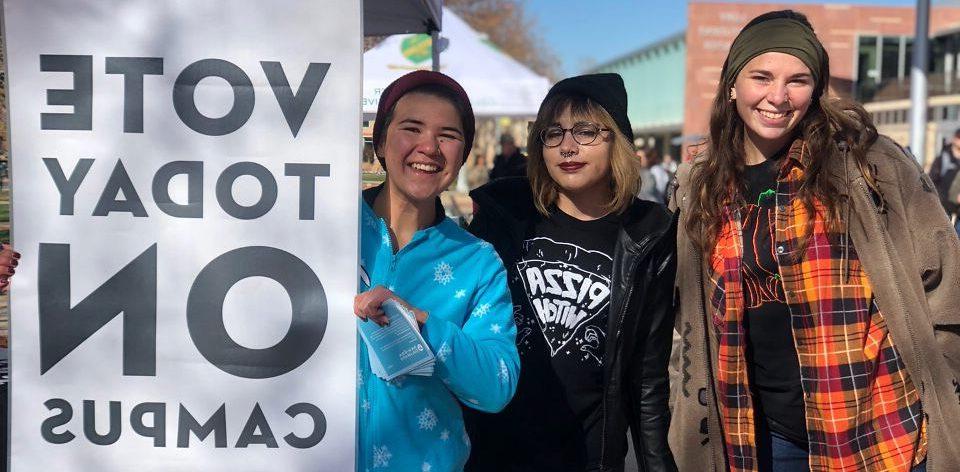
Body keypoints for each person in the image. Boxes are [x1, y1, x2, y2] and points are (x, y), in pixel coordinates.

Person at [668, 10, 960, 472]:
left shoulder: (871, 164)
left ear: (816, 90)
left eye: (797, 80)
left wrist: (943, 381)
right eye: (761, 77)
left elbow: (944, 284)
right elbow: (687, 317)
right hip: (759, 436)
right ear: (732, 85)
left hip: (876, 431)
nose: (778, 97)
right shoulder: (698, 183)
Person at [465, 73, 677, 471]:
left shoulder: (648, 236)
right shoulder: (504, 220)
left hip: (588, 454)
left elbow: (647, 377)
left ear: (617, 140)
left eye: (585, 131)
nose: (567, 146)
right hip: (495, 449)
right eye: (553, 133)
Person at [354, 70, 520, 471]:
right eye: (411, 128)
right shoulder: (322, 227)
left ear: (462, 154)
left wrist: (421, 324)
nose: (428, 147)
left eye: (448, 135)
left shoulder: (478, 261)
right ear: (380, 140)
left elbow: (497, 386)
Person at [929, 128, 960, 219]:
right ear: (954, 139)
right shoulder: (942, 159)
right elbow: (931, 183)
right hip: (944, 211)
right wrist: (948, 199)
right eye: (959, 137)